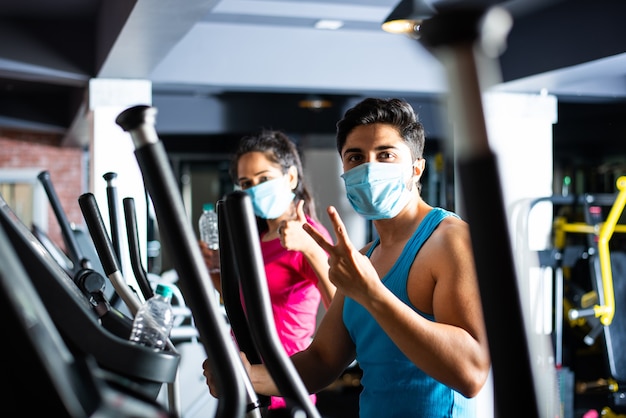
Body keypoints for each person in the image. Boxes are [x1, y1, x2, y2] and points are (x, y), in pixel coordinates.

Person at [203, 98, 491, 417]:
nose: (369, 168)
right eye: (355, 157)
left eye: (386, 155)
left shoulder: (450, 240)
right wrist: (245, 376)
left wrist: (372, 293)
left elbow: (471, 373)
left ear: (416, 167)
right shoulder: (364, 256)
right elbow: (322, 361)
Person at [199, 129, 336, 410]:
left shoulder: (308, 233)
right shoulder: (255, 237)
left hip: (283, 389)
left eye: (264, 179)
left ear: (291, 177)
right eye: (246, 183)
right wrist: (213, 272)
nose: (255, 189)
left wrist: (309, 249)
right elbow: (248, 298)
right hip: (242, 383)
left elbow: (342, 307)